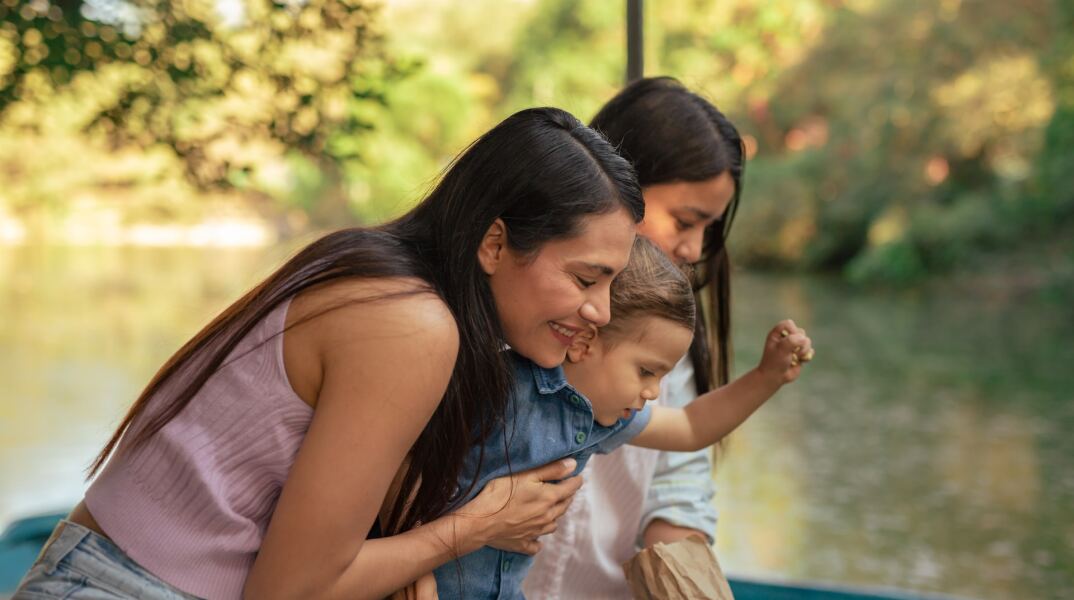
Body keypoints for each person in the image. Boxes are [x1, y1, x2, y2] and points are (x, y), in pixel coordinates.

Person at [13, 107, 644, 600]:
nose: (602, 310)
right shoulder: (410, 324)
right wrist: (477, 527)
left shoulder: (377, 269)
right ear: (495, 244)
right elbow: (292, 590)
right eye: (586, 278)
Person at [433, 237, 813, 599]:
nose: (652, 392)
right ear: (583, 342)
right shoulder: (499, 388)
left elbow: (690, 427)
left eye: (662, 377)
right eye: (647, 372)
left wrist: (766, 377)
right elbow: (409, 476)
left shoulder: (599, 419)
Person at [525, 77, 766, 598]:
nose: (694, 249)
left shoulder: (666, 346)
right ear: (613, 183)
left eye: (710, 229)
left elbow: (679, 484)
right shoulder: (522, 316)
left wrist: (679, 572)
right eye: (684, 221)